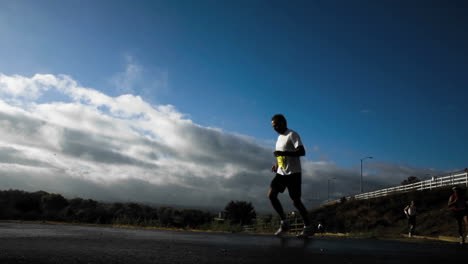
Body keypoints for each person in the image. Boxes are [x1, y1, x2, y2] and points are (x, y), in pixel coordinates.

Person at [268, 114, 313, 238]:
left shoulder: (292, 134)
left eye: (276, 125)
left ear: (283, 123)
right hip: (281, 173)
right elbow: (281, 155)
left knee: (296, 201)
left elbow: (302, 151)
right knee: (271, 195)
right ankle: (284, 223)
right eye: (273, 126)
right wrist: (277, 164)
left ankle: (308, 227)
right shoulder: (279, 138)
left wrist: (283, 153)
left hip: (293, 174)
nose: (274, 128)